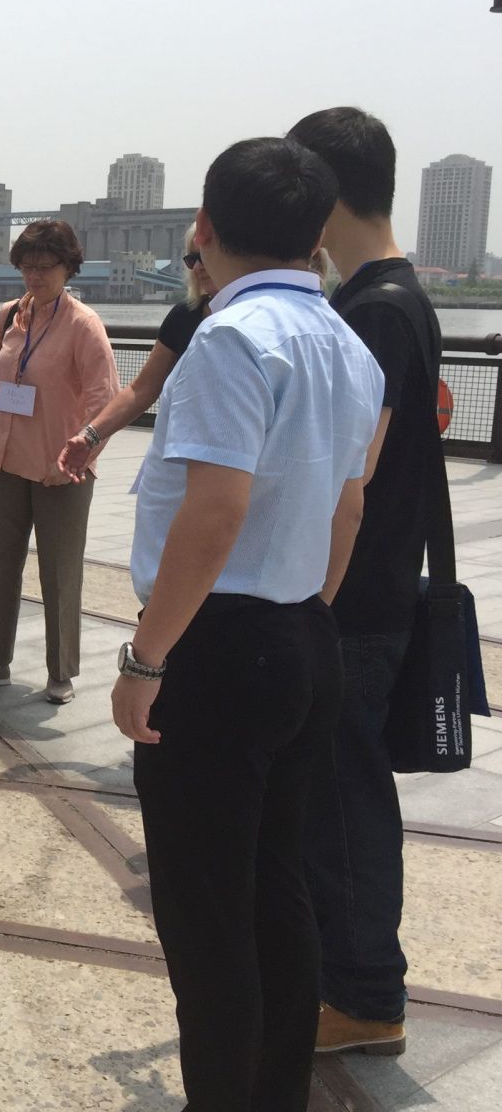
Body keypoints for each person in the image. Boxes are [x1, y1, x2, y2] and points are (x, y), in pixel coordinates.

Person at [112, 138, 383, 1111]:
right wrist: (305, 616)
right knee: (279, 888)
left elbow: (214, 510)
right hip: (304, 633)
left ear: (204, 229)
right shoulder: (350, 346)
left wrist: (148, 656)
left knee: (208, 915)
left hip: (217, 649)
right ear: (317, 236)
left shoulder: (232, 340)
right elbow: (349, 505)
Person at [288, 107, 444, 1056]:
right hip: (371, 589)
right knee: (338, 795)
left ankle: (364, 995)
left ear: (326, 190)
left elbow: (352, 468)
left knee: (346, 800)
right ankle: (345, 980)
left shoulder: (375, 311)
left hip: (353, 600)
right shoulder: (396, 297)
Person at [0, 220, 118, 704]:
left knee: (60, 571)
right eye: (27, 266)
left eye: (45, 267)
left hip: (59, 465)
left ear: (68, 268)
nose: (35, 276)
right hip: (4, 457)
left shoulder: (83, 324)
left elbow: (105, 398)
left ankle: (60, 672)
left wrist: (81, 455)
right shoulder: (9, 315)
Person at [57, 224, 215, 481]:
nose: (198, 267)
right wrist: (90, 436)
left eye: (206, 256)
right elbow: (141, 389)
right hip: (180, 456)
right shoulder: (184, 316)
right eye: (191, 259)